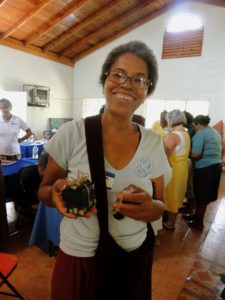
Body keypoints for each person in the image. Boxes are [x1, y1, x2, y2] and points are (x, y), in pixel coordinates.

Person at [38, 41, 171, 300]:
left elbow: (161, 205)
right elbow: (43, 190)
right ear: (105, 80)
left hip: (130, 255)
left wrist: (150, 209)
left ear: (147, 90)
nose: (126, 84)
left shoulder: (154, 142)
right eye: (118, 74)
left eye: (139, 79)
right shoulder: (71, 133)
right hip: (79, 254)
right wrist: (53, 195)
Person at [188, 115, 222, 230]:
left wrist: (186, 155)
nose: (194, 128)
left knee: (201, 197)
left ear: (198, 124)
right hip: (215, 167)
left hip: (205, 169)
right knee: (204, 196)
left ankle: (198, 223)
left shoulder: (201, 134)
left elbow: (196, 155)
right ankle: (196, 217)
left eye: (194, 126)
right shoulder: (213, 131)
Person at [163, 109, 191, 230]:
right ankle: (171, 220)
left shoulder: (174, 135)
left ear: (170, 120)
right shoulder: (185, 133)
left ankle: (170, 223)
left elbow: (164, 154)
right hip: (182, 167)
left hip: (173, 167)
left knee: (171, 194)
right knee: (177, 193)